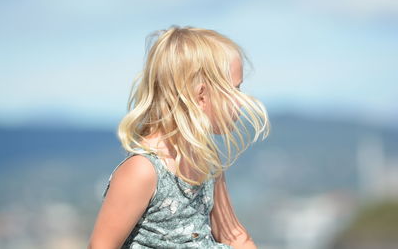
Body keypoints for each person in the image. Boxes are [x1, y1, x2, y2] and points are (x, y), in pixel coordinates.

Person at [87, 25, 270, 249]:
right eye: (235, 89)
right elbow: (101, 246)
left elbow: (233, 235)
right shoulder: (143, 170)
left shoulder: (207, 160)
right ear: (201, 96)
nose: (242, 101)